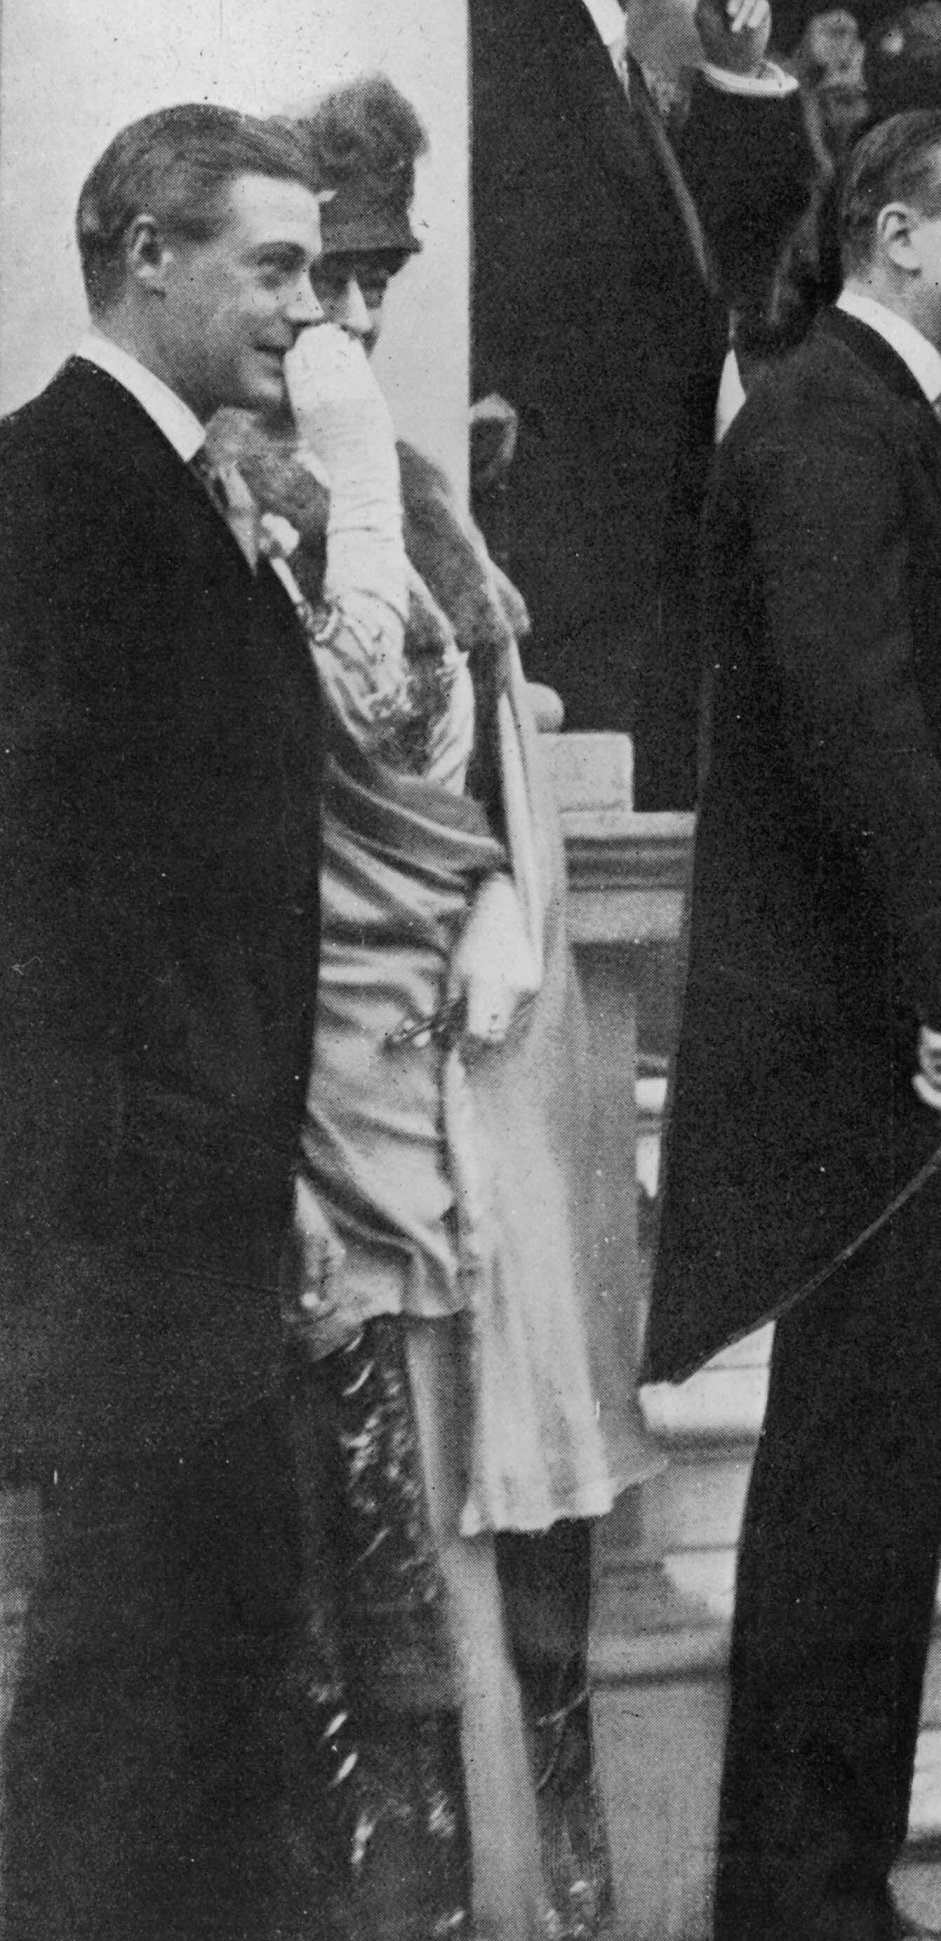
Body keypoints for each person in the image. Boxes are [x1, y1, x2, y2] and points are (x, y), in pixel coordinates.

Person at [214, 75, 659, 1938]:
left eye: (381, 278)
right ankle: (401, 1887)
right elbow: (350, 727)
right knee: (373, 1497)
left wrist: (498, 888)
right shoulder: (225, 489)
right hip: (320, 1047)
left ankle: (528, 1875)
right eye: (326, 279)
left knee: (504, 1462)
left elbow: (482, 761)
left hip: (475, 1044)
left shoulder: (409, 489)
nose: (361, 321)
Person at [643, 110, 941, 1939]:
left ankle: (826, 1888)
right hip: (861, 1043)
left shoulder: (868, 411)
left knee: (879, 1474)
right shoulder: (824, 420)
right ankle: (801, 1899)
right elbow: (852, 714)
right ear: (895, 235)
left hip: (887, 1032)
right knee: (851, 1480)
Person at [0, 107, 327, 1938]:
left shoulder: (190, 481)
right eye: (272, 263)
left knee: (204, 1681)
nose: (306, 302)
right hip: (122, 1219)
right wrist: (168, 1155)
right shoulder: (48, 489)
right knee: (124, 1705)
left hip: (196, 1198)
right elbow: (43, 888)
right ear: (148, 251)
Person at [468, 0, 781, 809]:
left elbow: (710, 271)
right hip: (562, 536)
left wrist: (737, 73)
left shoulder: (617, 57)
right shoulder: (511, 30)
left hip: (638, 540)